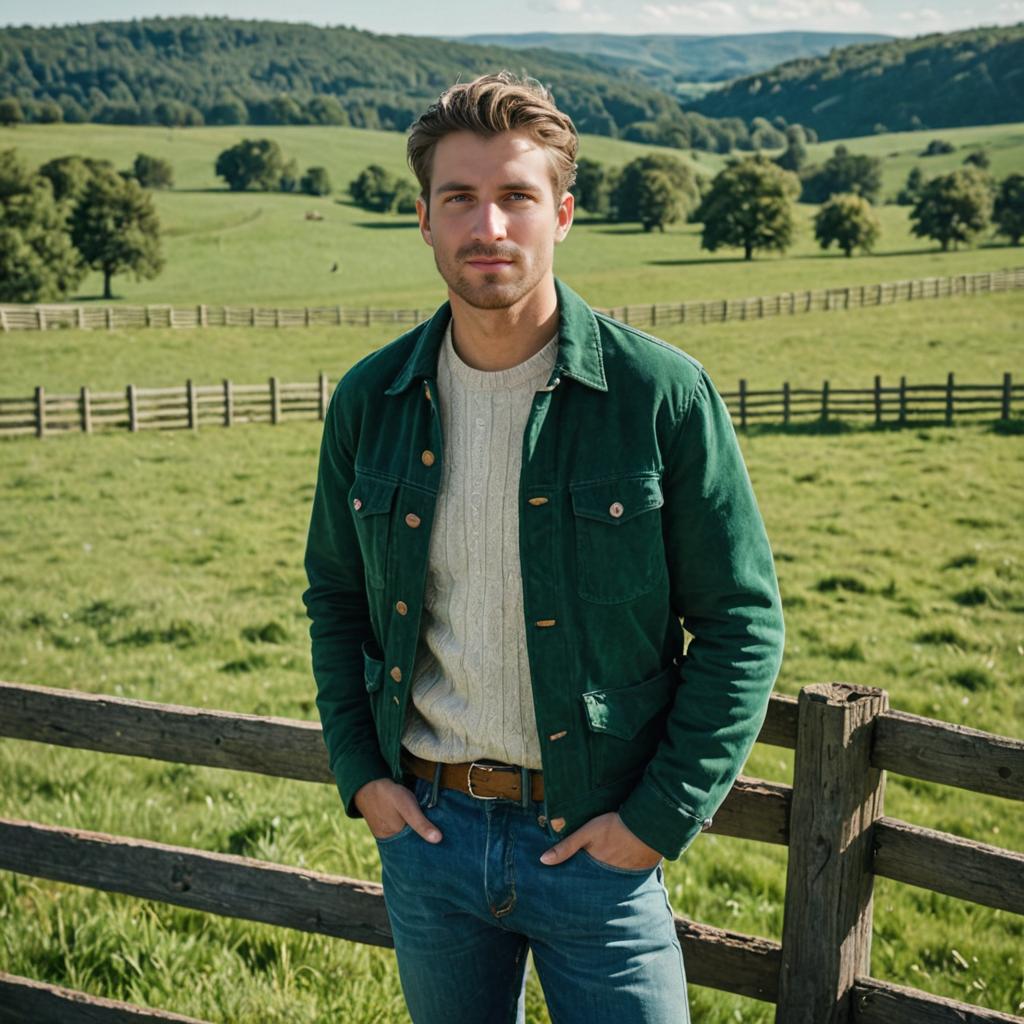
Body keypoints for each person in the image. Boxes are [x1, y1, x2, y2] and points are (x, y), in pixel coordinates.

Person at [303, 71, 784, 1024]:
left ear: (562, 214)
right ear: (425, 219)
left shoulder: (660, 397)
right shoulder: (371, 401)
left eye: (516, 196)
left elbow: (741, 623)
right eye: (461, 198)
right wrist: (362, 778)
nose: (489, 225)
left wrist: (652, 826)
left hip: (597, 849)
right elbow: (335, 599)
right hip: (430, 837)